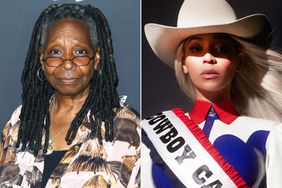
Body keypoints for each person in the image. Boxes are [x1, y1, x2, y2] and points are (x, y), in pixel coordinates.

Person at [142, 0, 282, 187]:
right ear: (183, 62)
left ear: (238, 61)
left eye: (221, 48)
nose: (208, 58)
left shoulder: (269, 134)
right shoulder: (150, 135)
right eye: (196, 48)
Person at [0, 4, 140, 188]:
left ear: (96, 58)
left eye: (79, 52)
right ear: (42, 59)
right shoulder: (21, 119)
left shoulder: (126, 128)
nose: (67, 64)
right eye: (55, 52)